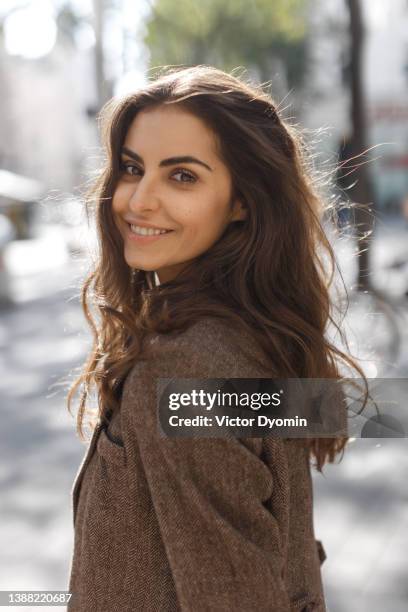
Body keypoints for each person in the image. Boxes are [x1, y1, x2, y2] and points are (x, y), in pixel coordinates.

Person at [66, 65, 367, 611]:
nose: (138, 200)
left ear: (242, 201)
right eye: (132, 168)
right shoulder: (256, 326)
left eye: (183, 176)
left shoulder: (180, 364)